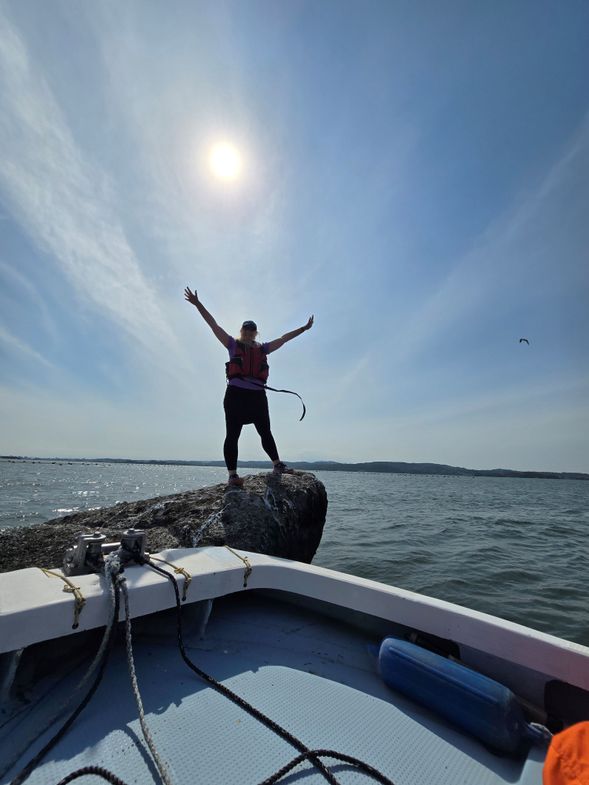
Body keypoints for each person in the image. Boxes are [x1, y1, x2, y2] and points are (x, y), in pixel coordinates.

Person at [184, 287, 314, 486]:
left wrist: (303, 329)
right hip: (235, 395)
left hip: (257, 397)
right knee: (232, 434)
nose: (248, 332)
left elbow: (284, 338)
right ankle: (233, 475)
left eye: (252, 330)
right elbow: (213, 324)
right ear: (241, 331)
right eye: (246, 329)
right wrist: (198, 304)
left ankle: (277, 464)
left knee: (265, 431)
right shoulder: (232, 345)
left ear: (256, 332)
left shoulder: (263, 348)